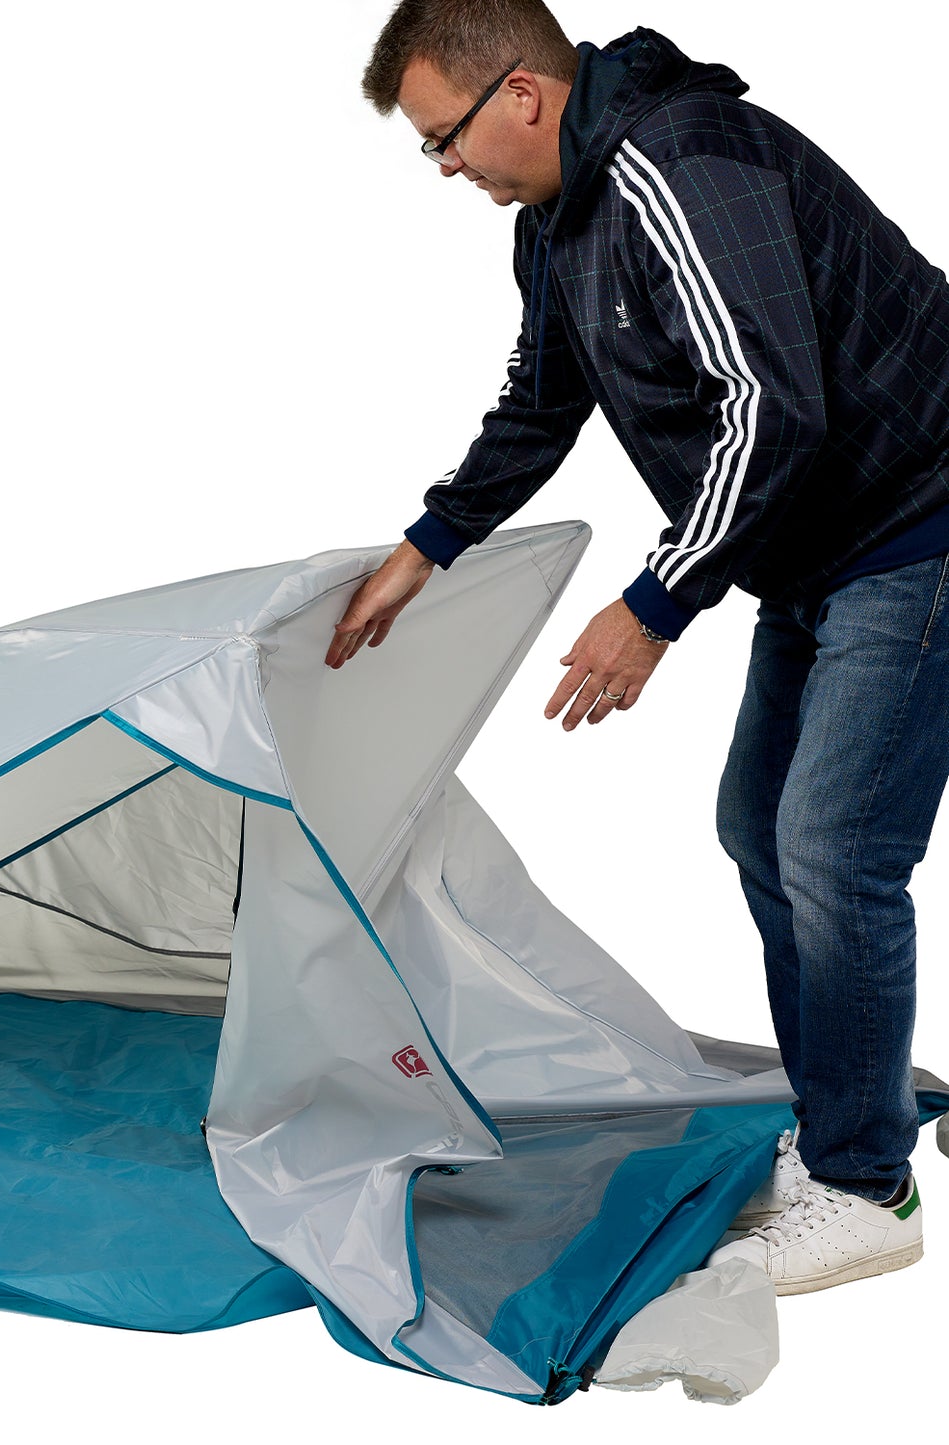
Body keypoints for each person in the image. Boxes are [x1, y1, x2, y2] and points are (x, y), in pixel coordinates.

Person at [330, 0, 949, 1294]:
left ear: (521, 95)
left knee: (834, 846)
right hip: (817, 549)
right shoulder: (557, 222)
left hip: (921, 520)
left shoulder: (682, 164)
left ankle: (863, 1186)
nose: (444, 168)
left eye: (444, 137)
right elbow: (541, 399)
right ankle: (847, 1108)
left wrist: (655, 601)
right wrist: (425, 547)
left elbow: (769, 405)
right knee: (757, 828)